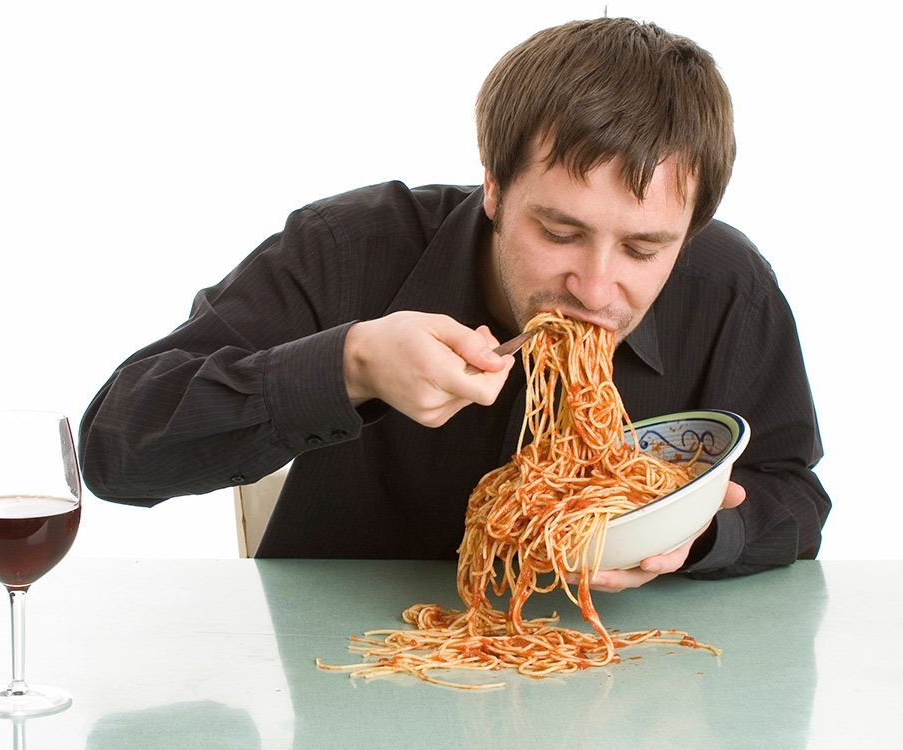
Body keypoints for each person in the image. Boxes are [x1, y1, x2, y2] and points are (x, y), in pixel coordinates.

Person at [78, 17, 830, 588]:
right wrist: (350, 367)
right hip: (349, 685)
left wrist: (694, 535)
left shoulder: (729, 288)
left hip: (627, 691)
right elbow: (114, 448)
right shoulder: (350, 248)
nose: (597, 290)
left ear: (688, 231)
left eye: (643, 249)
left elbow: (793, 498)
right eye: (560, 231)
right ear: (495, 189)